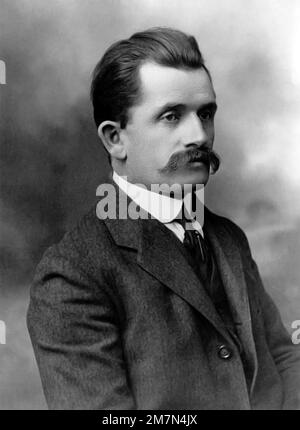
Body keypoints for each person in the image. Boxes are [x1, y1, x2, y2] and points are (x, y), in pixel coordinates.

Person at [27, 27, 300, 410]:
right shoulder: (73, 275)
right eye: (172, 116)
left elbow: (284, 360)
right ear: (114, 139)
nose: (199, 136)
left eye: (205, 113)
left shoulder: (228, 238)